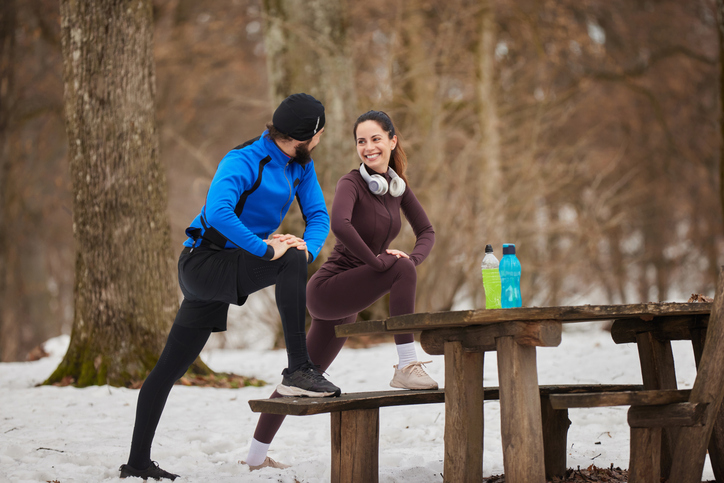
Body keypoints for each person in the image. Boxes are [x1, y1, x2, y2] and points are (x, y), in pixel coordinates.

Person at [119, 93, 341, 481]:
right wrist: (266, 250)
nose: (322, 137)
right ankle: (299, 369)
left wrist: (307, 250)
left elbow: (318, 214)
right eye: (321, 130)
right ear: (307, 134)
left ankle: (137, 463)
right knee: (284, 257)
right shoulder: (243, 160)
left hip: (232, 264)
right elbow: (219, 211)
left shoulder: (300, 165)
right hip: (203, 263)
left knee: (169, 368)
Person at [243, 110, 437, 471]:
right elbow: (340, 225)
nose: (368, 147)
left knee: (297, 381)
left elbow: (427, 232)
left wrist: (410, 258)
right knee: (398, 267)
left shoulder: (398, 188)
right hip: (328, 289)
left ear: (393, 141)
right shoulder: (352, 183)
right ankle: (407, 364)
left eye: (376, 139)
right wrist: (380, 263)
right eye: (361, 141)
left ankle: (254, 458)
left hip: (346, 302)